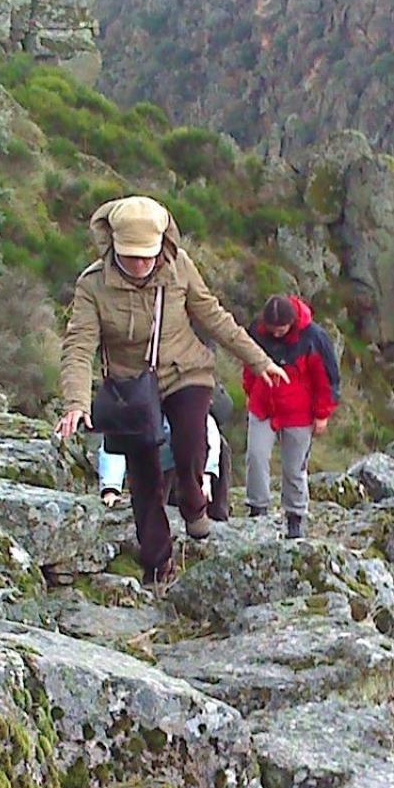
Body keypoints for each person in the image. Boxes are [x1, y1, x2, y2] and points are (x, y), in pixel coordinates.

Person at [58, 196, 287, 584]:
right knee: (143, 475)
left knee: (189, 441)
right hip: (130, 386)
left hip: (186, 370)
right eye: (132, 257)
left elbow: (213, 317)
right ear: (114, 248)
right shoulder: (92, 286)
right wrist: (76, 402)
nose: (142, 265)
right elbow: (79, 345)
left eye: (147, 256)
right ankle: (157, 562)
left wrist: (259, 360)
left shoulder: (180, 268)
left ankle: (195, 499)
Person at [243, 294, 340, 539]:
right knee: (255, 456)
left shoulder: (313, 338)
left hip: (299, 414)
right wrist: (249, 391)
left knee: (294, 468)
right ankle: (257, 509)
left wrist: (322, 415)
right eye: (272, 329)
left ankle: (295, 518)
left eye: (282, 329)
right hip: (263, 405)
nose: (276, 334)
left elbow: (326, 379)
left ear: (292, 322)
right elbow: (249, 362)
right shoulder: (257, 330)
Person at [99, 412, 228, 517]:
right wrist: (111, 488)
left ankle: (216, 515)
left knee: (219, 449)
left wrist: (207, 473)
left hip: (185, 450)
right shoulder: (131, 402)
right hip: (148, 455)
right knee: (154, 508)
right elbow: (114, 442)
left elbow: (207, 429)